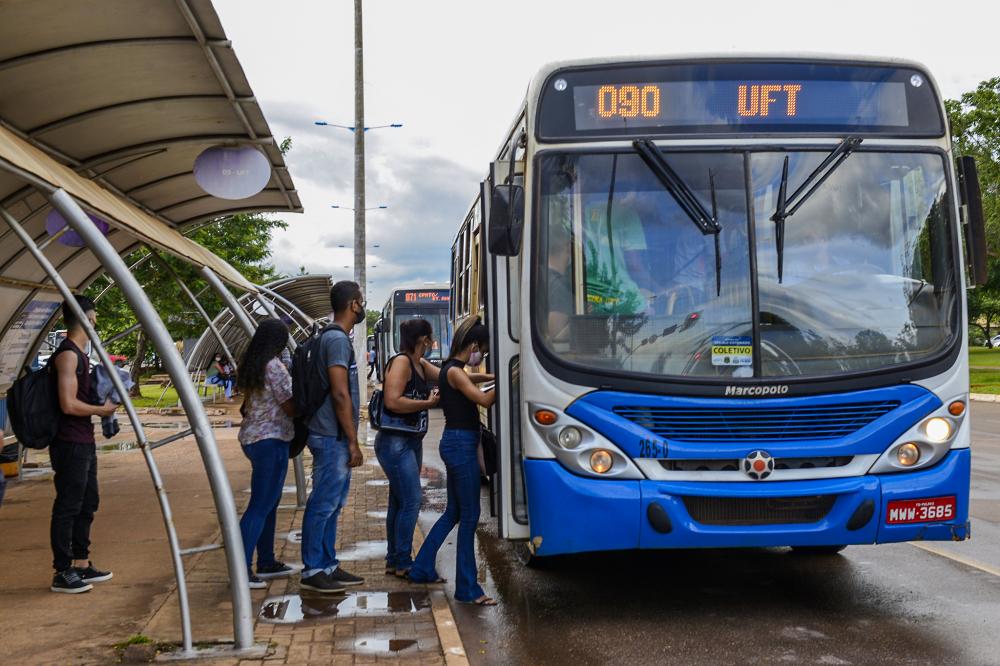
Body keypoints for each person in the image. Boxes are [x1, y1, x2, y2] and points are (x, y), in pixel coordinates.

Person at [407, 316, 497, 605]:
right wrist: (509, 379)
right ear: (472, 345)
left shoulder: (451, 369)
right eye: (481, 350)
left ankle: (421, 567)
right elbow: (483, 401)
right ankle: (468, 588)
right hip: (460, 445)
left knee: (454, 513)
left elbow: (473, 380)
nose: (481, 355)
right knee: (469, 517)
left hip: (456, 442)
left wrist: (491, 377)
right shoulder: (455, 372)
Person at [300, 281, 367, 594]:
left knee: (333, 503)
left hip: (330, 434)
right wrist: (352, 441)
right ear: (353, 304)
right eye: (361, 301)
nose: (362, 305)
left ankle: (327, 564)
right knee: (323, 503)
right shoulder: (337, 340)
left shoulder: (329, 336)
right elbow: (340, 393)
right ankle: (313, 568)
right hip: (331, 436)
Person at [49, 295, 117, 594]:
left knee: (88, 501)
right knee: (68, 505)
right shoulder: (68, 355)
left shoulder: (81, 354)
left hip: (83, 440)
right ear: (86, 319)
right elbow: (67, 404)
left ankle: (81, 561)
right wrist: (101, 410)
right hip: (69, 442)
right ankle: (62, 570)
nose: (96, 322)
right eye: (95, 317)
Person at [375, 319, 441, 577]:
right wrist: (426, 403)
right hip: (395, 442)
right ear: (423, 339)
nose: (432, 341)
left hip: (410, 440)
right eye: (430, 337)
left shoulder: (420, 363)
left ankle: (395, 559)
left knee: (399, 501)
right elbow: (392, 401)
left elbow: (448, 375)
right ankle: (403, 561)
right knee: (412, 500)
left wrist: (490, 375)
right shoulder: (402, 362)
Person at [236, 318, 297, 589]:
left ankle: (267, 560)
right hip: (270, 441)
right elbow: (290, 405)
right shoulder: (274, 367)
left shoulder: (253, 364)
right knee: (260, 505)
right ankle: (241, 569)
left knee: (269, 502)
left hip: (253, 439)